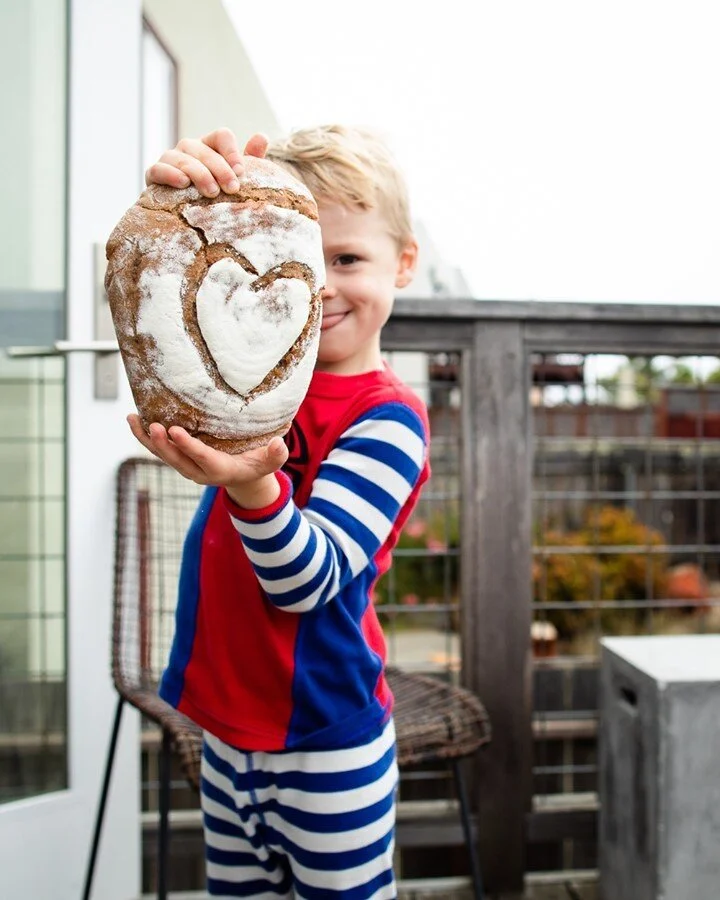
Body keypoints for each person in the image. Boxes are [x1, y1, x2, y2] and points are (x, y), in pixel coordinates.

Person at [130, 125, 431, 899]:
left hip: (327, 744)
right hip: (227, 732)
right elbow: (165, 284)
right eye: (301, 253)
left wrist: (251, 484)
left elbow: (311, 579)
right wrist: (186, 194)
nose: (322, 283)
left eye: (349, 259)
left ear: (403, 264)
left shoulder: (387, 419)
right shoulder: (244, 372)